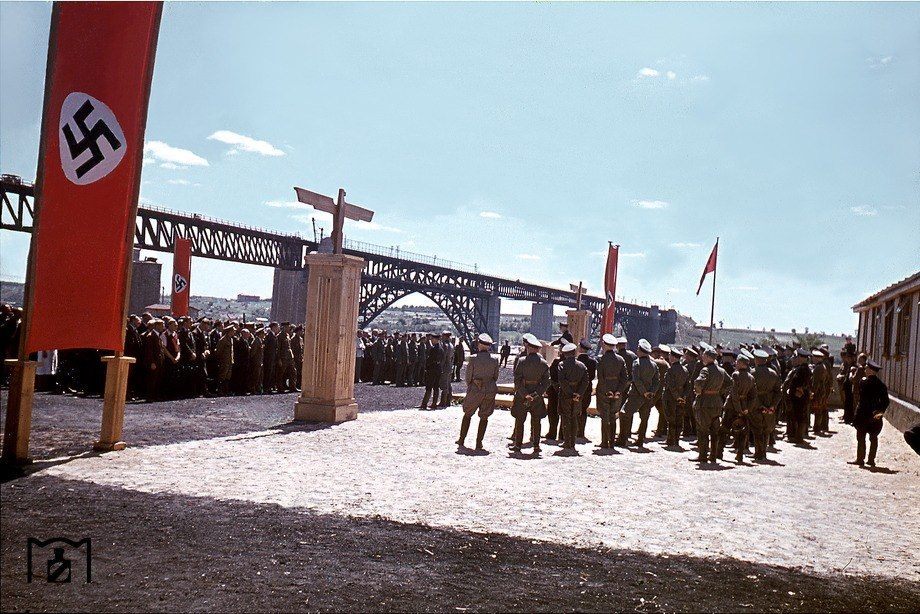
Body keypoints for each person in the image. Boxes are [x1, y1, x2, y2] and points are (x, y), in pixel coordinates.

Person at [458, 333, 499, 450]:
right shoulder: (495, 360)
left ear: (479, 344)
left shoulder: (473, 358)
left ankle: (461, 440)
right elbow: (495, 377)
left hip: (475, 390)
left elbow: (468, 378)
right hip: (489, 390)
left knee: (467, 414)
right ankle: (478, 443)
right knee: (484, 417)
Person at [510, 333, 550, 454]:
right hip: (536, 396)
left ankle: (517, 445)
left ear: (529, 347)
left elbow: (517, 380)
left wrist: (525, 394)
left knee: (520, 420)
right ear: (537, 348)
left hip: (523, 395)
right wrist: (536, 394)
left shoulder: (522, 361)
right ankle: (536, 445)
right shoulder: (543, 363)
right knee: (536, 421)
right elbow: (546, 382)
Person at [618, 339, 660, 449]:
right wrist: (651, 392)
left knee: (624, 413)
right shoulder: (654, 364)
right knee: (644, 418)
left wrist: (643, 392)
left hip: (636, 395)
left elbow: (636, 380)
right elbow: (657, 381)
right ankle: (640, 440)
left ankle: (622, 439)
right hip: (649, 396)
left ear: (641, 351)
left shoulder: (637, 363)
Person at [692, 347, 730, 463]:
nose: (702, 357)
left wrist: (699, 391)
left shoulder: (705, 370)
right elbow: (730, 382)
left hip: (705, 403)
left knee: (702, 430)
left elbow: (698, 382)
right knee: (714, 431)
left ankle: (702, 456)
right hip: (717, 402)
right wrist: (718, 391)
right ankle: (713, 456)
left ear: (708, 357)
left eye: (704, 356)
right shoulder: (722, 370)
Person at [849, 360, 889, 467]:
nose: (865, 370)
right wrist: (880, 412)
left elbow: (860, 398)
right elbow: (886, 401)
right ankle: (871, 460)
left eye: (867, 368)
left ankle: (860, 459)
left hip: (863, 414)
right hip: (874, 415)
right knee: (873, 438)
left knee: (861, 437)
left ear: (871, 370)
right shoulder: (881, 385)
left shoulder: (863, 382)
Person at [718, 353, 756, 463]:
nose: (735, 363)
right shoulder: (751, 377)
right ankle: (739, 455)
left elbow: (734, 395)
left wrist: (738, 409)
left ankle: (719, 452)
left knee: (724, 429)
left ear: (740, 363)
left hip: (732, 407)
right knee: (742, 431)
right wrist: (747, 409)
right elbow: (753, 396)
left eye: (737, 362)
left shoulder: (735, 375)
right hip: (744, 407)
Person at [595, 333, 628, 448]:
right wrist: (618, 391)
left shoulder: (601, 360)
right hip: (617, 392)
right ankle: (612, 442)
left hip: (604, 392)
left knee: (605, 417)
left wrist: (607, 391)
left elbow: (601, 378)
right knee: (613, 416)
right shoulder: (621, 359)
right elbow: (624, 378)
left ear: (604, 344)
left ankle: (604, 442)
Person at [557, 342, 590, 450]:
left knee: (566, 418)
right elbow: (586, 381)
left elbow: (562, 382)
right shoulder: (582, 366)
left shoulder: (562, 365)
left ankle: (567, 442)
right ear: (575, 352)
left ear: (565, 354)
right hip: (577, 396)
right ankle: (573, 442)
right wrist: (578, 394)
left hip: (566, 395)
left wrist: (570, 394)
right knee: (575, 417)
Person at [751, 349, 782, 461]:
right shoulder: (774, 373)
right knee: (766, 428)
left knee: (757, 428)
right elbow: (779, 392)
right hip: (769, 403)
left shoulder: (752, 372)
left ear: (757, 360)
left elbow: (751, 391)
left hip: (756, 404)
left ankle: (758, 453)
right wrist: (773, 405)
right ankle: (763, 452)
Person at [661, 346, 690, 447]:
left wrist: (677, 396)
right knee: (679, 419)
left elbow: (671, 386)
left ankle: (670, 440)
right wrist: (683, 397)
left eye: (670, 356)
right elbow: (688, 385)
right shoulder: (685, 370)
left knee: (671, 419)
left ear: (673, 357)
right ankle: (676, 440)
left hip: (671, 398)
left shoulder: (671, 370)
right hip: (681, 398)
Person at [783, 348, 813, 443]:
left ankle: (798, 437)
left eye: (798, 357)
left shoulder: (802, 369)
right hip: (801, 396)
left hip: (799, 397)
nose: (797, 358)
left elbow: (797, 383)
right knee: (799, 416)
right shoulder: (805, 368)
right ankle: (797, 436)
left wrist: (794, 391)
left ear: (801, 358)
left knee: (798, 417)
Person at [575, 339, 597, 438]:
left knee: (575, 410)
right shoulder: (592, 362)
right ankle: (581, 432)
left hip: (576, 388)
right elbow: (592, 376)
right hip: (587, 388)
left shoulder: (576, 361)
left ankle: (574, 431)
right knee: (584, 410)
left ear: (580, 348)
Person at [420, 333, 445, 409]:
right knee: (436, 387)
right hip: (438, 369)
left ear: (435, 339)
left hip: (432, 369)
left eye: (432, 339)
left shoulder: (433, 348)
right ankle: (434, 403)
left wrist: (426, 367)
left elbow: (430, 360)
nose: (431, 340)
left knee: (429, 387)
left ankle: (424, 404)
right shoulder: (441, 348)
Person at [837, 349, 857, 424]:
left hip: (850, 388)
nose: (847, 360)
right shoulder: (849, 366)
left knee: (850, 404)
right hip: (847, 387)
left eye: (849, 358)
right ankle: (846, 417)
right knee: (846, 403)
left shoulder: (853, 367)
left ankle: (849, 418)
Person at [216, 323, 235, 395]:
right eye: (233, 331)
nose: (234, 332)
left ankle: (226, 391)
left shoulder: (231, 339)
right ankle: (220, 391)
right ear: (229, 331)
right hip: (224, 361)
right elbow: (219, 351)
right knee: (222, 376)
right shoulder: (223, 340)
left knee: (228, 377)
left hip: (230, 361)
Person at [438, 331, 454, 407]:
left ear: (445, 336)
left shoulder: (445, 345)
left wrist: (440, 367)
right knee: (448, 384)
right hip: (449, 366)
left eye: (442, 336)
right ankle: (448, 401)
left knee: (444, 385)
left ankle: (443, 402)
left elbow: (444, 357)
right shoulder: (451, 345)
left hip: (445, 367)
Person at [262, 322, 278, 393]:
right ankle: (266, 388)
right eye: (277, 326)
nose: (278, 328)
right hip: (269, 358)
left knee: (271, 373)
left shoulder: (273, 335)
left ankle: (269, 387)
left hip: (272, 357)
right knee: (268, 373)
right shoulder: (269, 336)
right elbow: (267, 347)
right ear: (274, 327)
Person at [249, 327, 265, 395]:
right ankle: (253, 389)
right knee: (255, 376)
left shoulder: (259, 341)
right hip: (256, 362)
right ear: (260, 334)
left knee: (259, 376)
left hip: (259, 361)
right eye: (263, 333)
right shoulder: (256, 341)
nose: (264, 335)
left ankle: (257, 389)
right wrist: (255, 361)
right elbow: (253, 352)